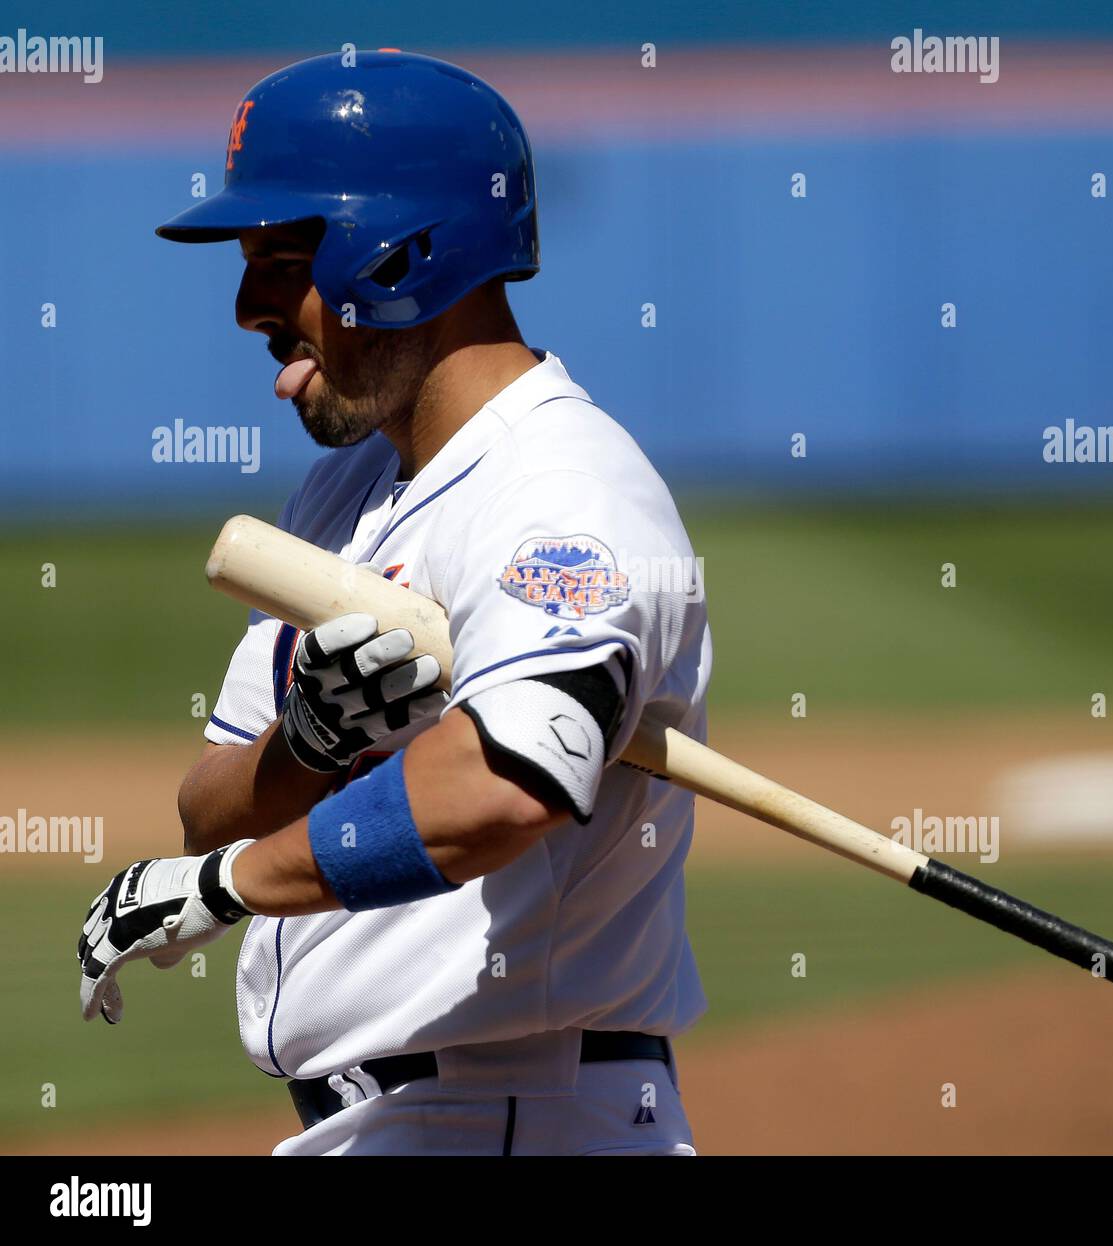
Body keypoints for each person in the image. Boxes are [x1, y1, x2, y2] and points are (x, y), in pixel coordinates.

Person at [75, 49, 710, 1157]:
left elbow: (506, 784)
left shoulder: (564, 491)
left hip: (511, 1117)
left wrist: (226, 890)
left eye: (278, 262)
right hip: (404, 1123)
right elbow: (208, 807)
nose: (246, 310)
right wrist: (310, 746)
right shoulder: (350, 485)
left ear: (401, 248)